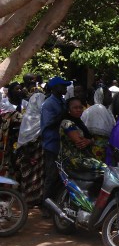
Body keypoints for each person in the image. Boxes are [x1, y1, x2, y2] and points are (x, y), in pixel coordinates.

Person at [41, 76, 71, 216]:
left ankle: (56, 204)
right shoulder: (49, 104)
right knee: (51, 176)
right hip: (51, 144)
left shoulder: (62, 101)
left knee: (61, 177)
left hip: (62, 145)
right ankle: (46, 207)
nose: (65, 88)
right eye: (63, 86)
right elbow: (48, 124)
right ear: (55, 88)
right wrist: (63, 115)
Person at [58, 98, 108, 174]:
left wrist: (90, 141)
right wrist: (91, 141)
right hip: (73, 159)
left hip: (83, 156)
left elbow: (87, 140)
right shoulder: (67, 123)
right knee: (106, 169)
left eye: (80, 107)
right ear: (68, 109)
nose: (79, 110)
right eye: (75, 108)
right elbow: (81, 143)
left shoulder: (78, 121)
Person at [15, 93, 46, 206]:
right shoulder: (33, 118)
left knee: (35, 175)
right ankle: (29, 199)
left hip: (35, 150)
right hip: (29, 150)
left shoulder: (30, 117)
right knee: (30, 175)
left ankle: (34, 199)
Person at [80, 87, 115, 162]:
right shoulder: (99, 109)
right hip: (97, 148)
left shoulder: (106, 110)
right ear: (102, 96)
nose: (111, 98)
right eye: (109, 95)